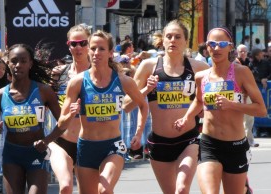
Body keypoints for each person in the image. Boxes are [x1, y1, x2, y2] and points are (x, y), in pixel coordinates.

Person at [175, 27, 267, 194]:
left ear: (230, 47)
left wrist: (232, 105)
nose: (216, 48)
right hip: (209, 144)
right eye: (212, 44)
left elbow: (261, 109)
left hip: (236, 146)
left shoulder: (241, 72)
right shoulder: (201, 76)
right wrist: (186, 117)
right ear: (206, 47)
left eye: (222, 44)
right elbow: (198, 100)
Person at [57, 30, 149, 194]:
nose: (96, 53)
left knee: (104, 190)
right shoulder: (77, 82)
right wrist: (71, 114)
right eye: (93, 48)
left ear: (111, 53)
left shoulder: (123, 81)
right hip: (86, 147)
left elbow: (142, 104)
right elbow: (61, 123)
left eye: (101, 49)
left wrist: (139, 132)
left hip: (113, 146)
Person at [123, 19, 209, 194]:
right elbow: (126, 105)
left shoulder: (199, 67)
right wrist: (147, 88)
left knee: (182, 189)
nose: (173, 40)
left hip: (188, 139)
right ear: (162, 40)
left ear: (186, 41)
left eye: (178, 37)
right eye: (168, 36)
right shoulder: (149, 67)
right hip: (159, 142)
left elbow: (211, 100)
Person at [0, 44, 79, 194]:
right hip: (12, 155)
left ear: (30, 64)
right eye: (14, 61)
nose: (18, 65)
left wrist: (47, 140)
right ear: (7, 63)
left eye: (23, 61)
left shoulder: (44, 91)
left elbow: (62, 124)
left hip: (37, 152)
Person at [48, 24, 91, 194]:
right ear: (68, 45)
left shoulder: (97, 73)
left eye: (83, 43)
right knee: (65, 186)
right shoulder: (59, 72)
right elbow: (48, 100)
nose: (78, 47)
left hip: (88, 142)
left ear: (89, 44)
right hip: (62, 140)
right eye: (74, 44)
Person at [235, 44, 259, 147]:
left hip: (249, 93)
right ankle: (243, 140)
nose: (243, 53)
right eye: (241, 51)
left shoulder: (250, 63)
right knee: (241, 118)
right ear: (237, 52)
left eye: (245, 51)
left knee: (250, 118)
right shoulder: (235, 63)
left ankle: (249, 140)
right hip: (239, 94)